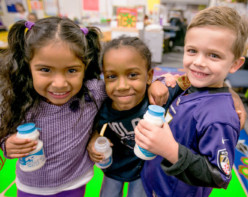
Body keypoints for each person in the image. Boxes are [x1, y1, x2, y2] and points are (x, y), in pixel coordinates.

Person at [0, 17, 167, 196]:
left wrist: (159, 82)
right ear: (28, 67)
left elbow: (125, 86)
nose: (59, 84)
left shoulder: (92, 92)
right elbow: (5, 133)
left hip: (76, 184)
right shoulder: (20, 98)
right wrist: (6, 144)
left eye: (72, 70)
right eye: (45, 70)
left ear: (84, 67)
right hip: (31, 187)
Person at [135, 6, 248, 197]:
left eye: (214, 55)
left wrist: (171, 150)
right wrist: (159, 84)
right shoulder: (191, 81)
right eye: (192, 51)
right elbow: (173, 82)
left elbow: (220, 176)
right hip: (157, 179)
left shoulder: (220, 118)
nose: (199, 62)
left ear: (235, 64)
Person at [87, 36, 183, 197]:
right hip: (114, 168)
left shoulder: (157, 97)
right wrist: (94, 138)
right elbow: (91, 129)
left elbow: (190, 81)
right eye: (111, 76)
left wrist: (232, 97)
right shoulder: (103, 107)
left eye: (132, 75)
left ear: (149, 75)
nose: (122, 86)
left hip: (144, 170)